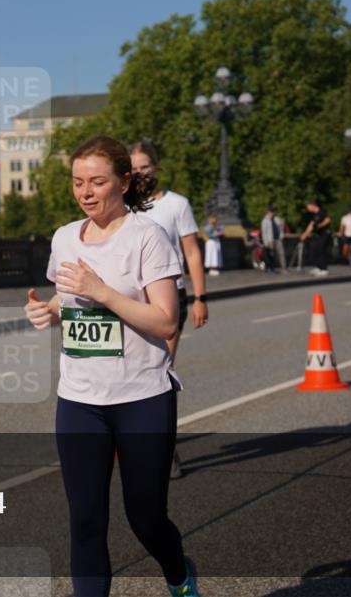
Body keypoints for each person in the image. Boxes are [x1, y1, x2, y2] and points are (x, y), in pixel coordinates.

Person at [23, 135, 200, 597]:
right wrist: (50, 310)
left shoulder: (147, 236)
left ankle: (178, 573)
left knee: (145, 517)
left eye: (97, 182)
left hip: (141, 398)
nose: (86, 192)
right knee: (84, 520)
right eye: (78, 182)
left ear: (123, 181)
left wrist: (102, 291)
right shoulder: (64, 237)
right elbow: (68, 298)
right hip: (80, 400)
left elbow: (165, 322)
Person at [128, 141, 208, 479]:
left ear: (155, 168)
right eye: (132, 167)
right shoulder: (125, 206)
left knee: (159, 374)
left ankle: (166, 450)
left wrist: (201, 296)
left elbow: (191, 252)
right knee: (131, 375)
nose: (139, 172)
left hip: (168, 299)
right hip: (132, 301)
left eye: (145, 165)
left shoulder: (177, 205)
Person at [300, 201, 332, 276]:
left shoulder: (322, 211)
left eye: (308, 207)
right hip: (319, 235)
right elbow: (311, 225)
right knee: (315, 250)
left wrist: (321, 225)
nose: (307, 209)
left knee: (321, 250)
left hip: (325, 234)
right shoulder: (315, 215)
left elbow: (328, 220)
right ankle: (319, 267)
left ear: (313, 205)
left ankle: (324, 269)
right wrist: (305, 234)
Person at [260, 206, 286, 273]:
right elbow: (264, 232)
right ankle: (271, 268)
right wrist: (266, 242)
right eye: (271, 212)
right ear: (268, 212)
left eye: (273, 212)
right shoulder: (265, 220)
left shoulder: (276, 219)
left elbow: (281, 227)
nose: (272, 213)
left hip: (278, 239)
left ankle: (283, 268)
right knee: (271, 255)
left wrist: (282, 235)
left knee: (281, 253)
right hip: (270, 240)